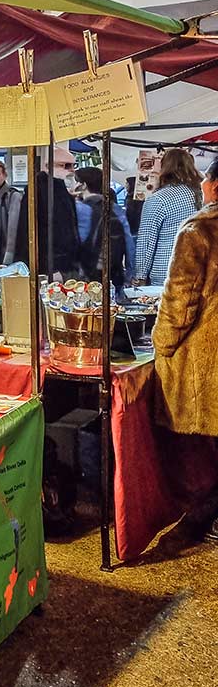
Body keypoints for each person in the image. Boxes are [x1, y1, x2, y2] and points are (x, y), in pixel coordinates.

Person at [152, 157, 218, 542]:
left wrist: (161, 344)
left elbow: (180, 300)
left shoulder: (198, 231)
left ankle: (203, 512)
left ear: (213, 185)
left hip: (205, 363)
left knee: (203, 451)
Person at [134, 148, 201, 287]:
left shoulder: (158, 199)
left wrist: (140, 277)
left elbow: (146, 242)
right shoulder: (204, 195)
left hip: (167, 271)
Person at [74, 167, 128, 292]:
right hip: (114, 271)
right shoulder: (115, 208)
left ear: (83, 185)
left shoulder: (79, 209)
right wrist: (131, 271)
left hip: (86, 273)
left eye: (77, 181)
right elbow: (128, 240)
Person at [36, 148, 81, 280]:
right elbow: (35, 230)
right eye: (66, 166)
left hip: (65, 262)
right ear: (48, 166)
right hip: (52, 264)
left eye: (73, 165)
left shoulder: (59, 188)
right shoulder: (40, 189)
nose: (72, 170)